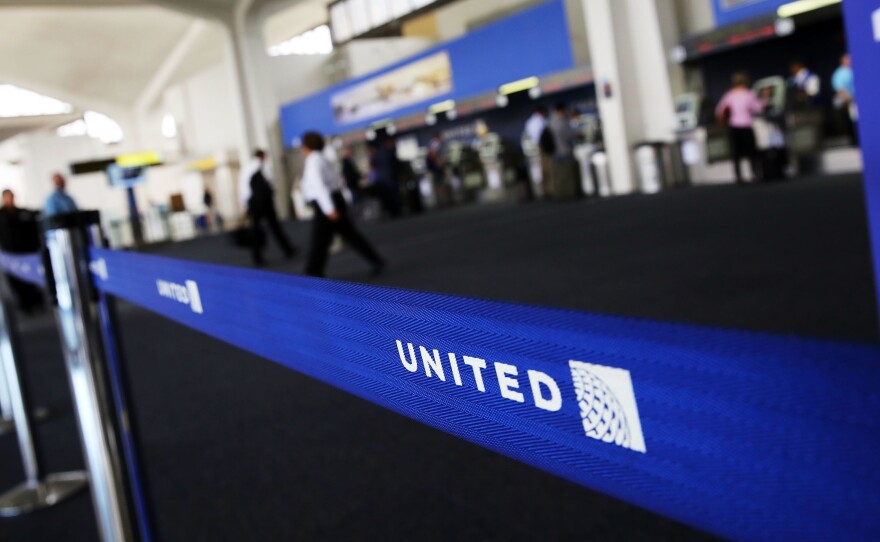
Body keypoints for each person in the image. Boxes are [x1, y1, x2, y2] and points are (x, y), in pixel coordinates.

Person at [300, 132, 385, 279]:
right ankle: (375, 260)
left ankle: (312, 272)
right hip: (332, 200)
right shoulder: (321, 158)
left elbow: (319, 187)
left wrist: (329, 209)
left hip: (326, 204)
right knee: (344, 235)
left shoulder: (313, 161)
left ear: (307, 146)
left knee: (321, 240)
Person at [239, 149, 297, 267]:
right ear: (262, 156)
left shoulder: (246, 168)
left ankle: (257, 257)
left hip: (253, 203)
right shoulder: (263, 167)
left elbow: (242, 188)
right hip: (264, 203)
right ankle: (287, 250)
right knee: (275, 227)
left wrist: (245, 204)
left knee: (255, 229)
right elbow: (271, 182)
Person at [716, 72, 765, 185]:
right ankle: (755, 174)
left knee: (736, 153)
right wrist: (764, 101)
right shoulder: (748, 94)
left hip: (733, 127)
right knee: (752, 152)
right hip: (746, 126)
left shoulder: (729, 95)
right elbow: (758, 109)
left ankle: (738, 177)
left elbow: (719, 111)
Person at [0, 190, 44, 313]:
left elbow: (33, 228)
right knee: (16, 281)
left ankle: (35, 302)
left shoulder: (23, 213)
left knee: (30, 278)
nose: (10, 200)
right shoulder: (1, 215)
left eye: (11, 197)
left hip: (26, 252)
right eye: (7, 197)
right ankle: (25, 306)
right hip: (10, 255)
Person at [832, 53, 858, 145]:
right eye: (847, 59)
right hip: (849, 101)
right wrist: (850, 99)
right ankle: (855, 141)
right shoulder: (839, 73)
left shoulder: (854, 69)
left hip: (858, 101)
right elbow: (839, 89)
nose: (849, 61)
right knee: (853, 122)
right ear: (842, 61)